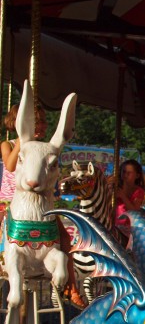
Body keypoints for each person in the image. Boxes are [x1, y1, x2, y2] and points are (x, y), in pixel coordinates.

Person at [0, 103, 86, 308]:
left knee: (65, 237)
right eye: (35, 122)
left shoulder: (46, 148)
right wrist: (23, 139)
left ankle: (71, 285)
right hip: (9, 201)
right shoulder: (8, 144)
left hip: (40, 206)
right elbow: (11, 166)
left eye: (43, 122)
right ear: (19, 123)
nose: (40, 126)